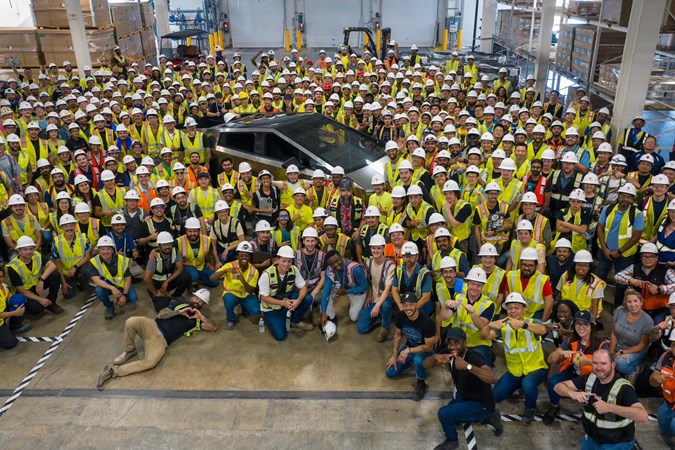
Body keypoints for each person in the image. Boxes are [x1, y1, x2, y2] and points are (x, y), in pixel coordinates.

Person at [96, 288, 217, 390]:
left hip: (161, 341)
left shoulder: (197, 319)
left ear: (203, 305)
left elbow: (213, 327)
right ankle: (129, 350)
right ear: (192, 297)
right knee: (131, 321)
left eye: (201, 301)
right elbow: (161, 314)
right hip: (152, 326)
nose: (197, 301)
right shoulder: (180, 302)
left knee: (150, 363)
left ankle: (112, 372)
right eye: (196, 298)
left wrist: (202, 318)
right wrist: (179, 312)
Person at [424, 327, 502, 450]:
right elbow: (425, 364)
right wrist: (435, 359)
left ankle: (452, 440)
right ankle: (489, 417)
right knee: (452, 420)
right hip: (465, 395)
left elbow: (493, 378)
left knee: (444, 413)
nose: (453, 346)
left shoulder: (474, 356)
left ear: (465, 343)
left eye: (457, 343)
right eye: (450, 343)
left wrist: (468, 366)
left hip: (481, 403)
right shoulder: (449, 352)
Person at [554, 349, 649, 449]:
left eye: (603, 363)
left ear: (613, 365)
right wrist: (572, 394)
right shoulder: (589, 379)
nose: (599, 368)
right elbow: (557, 387)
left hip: (616, 444)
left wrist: (610, 407)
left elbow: (643, 416)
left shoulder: (624, 387)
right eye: (595, 363)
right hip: (591, 439)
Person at [481, 292, 548, 424]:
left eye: (516, 307)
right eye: (510, 308)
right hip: (515, 371)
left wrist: (523, 325)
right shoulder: (503, 326)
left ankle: (530, 408)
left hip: (536, 368)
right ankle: (517, 385)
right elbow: (484, 336)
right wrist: (489, 325)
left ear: (524, 308)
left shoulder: (532, 322)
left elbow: (542, 330)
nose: (513, 311)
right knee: (495, 396)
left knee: (528, 384)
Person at [543, 310, 609, 425]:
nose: (581, 327)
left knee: (597, 391)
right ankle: (554, 406)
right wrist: (561, 353)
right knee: (553, 381)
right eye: (578, 323)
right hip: (573, 372)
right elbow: (550, 359)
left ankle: (590, 411)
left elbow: (607, 369)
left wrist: (588, 361)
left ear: (592, 326)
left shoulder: (601, 344)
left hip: (592, 377)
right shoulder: (571, 340)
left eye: (585, 324)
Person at [597, 183, 643, 307]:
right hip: (604, 251)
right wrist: (605, 249)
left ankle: (617, 305)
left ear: (632, 199)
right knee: (600, 277)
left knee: (621, 282)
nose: (625, 199)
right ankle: (596, 302)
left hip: (625, 255)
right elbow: (600, 228)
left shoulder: (637, 214)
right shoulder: (608, 209)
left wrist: (619, 252)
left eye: (629, 197)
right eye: (623, 196)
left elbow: (636, 237)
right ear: (618, 196)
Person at [385, 291, 436, 401]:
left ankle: (421, 382)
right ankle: (413, 363)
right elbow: (397, 336)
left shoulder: (427, 322)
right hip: (410, 346)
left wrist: (408, 351)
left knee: (418, 359)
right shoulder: (400, 316)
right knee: (390, 373)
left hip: (425, 351)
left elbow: (429, 347)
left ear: (417, 305)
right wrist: (395, 356)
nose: (408, 308)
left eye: (411, 304)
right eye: (405, 305)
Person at [439, 267, 495, 364]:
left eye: (479, 285)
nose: (475, 288)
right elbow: (445, 317)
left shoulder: (488, 304)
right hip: (458, 342)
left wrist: (473, 314)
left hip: (478, 343)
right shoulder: (458, 297)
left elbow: (482, 326)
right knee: (440, 358)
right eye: (472, 284)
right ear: (468, 284)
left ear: (483, 287)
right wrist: (445, 306)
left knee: (483, 368)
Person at [258, 246, 314, 341]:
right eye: (284, 261)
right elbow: (263, 298)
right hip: (271, 308)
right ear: (278, 260)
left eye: (289, 261)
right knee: (280, 336)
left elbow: (303, 287)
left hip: (286, 301)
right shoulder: (266, 275)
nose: (287, 264)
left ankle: (295, 321)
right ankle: (277, 318)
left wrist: (298, 301)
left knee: (308, 298)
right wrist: (283, 303)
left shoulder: (294, 270)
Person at [615, 242, 675, 324]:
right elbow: (617, 276)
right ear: (641, 257)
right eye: (644, 256)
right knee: (623, 320)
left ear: (657, 257)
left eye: (651, 256)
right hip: (637, 307)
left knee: (655, 324)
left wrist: (660, 289)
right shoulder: (634, 267)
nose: (647, 259)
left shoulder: (666, 271)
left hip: (659, 309)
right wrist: (630, 280)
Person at [6, 236, 62, 315]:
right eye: (25, 249)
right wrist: (40, 299)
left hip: (37, 284)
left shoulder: (36, 255)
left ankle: (51, 302)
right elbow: (21, 290)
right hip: (25, 291)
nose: (29, 251)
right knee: (38, 309)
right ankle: (30, 305)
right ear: (19, 250)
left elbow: (52, 266)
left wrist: (41, 280)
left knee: (55, 275)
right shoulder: (13, 267)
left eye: (31, 248)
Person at [210, 241, 259, 330]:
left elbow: (251, 291)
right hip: (231, 293)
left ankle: (244, 307)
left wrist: (243, 280)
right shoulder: (230, 265)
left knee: (256, 310)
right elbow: (212, 278)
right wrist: (226, 271)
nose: (244, 258)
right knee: (229, 301)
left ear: (250, 257)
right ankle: (231, 319)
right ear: (237, 256)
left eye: (247, 255)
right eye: (241, 255)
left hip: (245, 294)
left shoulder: (254, 271)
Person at [88, 235, 138, 320]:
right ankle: (109, 306)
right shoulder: (94, 262)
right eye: (102, 249)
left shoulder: (122, 260)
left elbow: (127, 278)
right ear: (99, 250)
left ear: (112, 250)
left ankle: (121, 297)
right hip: (108, 286)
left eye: (108, 249)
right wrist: (112, 288)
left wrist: (124, 295)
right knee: (98, 290)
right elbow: (96, 280)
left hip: (122, 286)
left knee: (133, 298)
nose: (105, 252)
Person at [357, 234, 396, 340]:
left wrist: (377, 306)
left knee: (385, 305)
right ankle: (382, 315)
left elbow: (388, 289)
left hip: (387, 298)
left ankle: (385, 326)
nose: (376, 251)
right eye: (373, 248)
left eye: (379, 248)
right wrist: (369, 295)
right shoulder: (368, 262)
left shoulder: (390, 265)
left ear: (384, 248)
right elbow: (369, 282)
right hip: (374, 297)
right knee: (362, 328)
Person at [609, 289, 654, 381]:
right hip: (619, 346)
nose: (633, 305)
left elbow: (642, 345)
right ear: (626, 303)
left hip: (636, 351)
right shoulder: (620, 311)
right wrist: (611, 352)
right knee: (603, 356)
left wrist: (622, 352)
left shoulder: (648, 321)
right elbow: (614, 333)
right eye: (629, 302)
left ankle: (636, 369)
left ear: (641, 302)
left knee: (619, 363)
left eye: (635, 301)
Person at [322, 249, 369, 331]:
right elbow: (326, 292)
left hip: (357, 291)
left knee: (354, 317)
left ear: (341, 257)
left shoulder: (355, 268)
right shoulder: (329, 271)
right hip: (343, 287)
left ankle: (363, 307)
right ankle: (331, 317)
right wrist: (323, 313)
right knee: (326, 296)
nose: (336, 265)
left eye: (337, 261)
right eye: (332, 264)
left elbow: (365, 287)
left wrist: (346, 292)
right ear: (329, 265)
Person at [143, 231, 191, 312]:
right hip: (157, 285)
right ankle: (160, 296)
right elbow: (147, 279)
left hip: (168, 281)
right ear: (159, 245)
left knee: (186, 276)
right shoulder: (154, 256)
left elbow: (180, 269)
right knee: (162, 309)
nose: (167, 247)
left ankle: (176, 296)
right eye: (164, 245)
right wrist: (156, 293)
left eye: (169, 244)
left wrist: (167, 281)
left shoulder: (175, 251)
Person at [558, 250, 606, 321]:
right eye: (579, 265)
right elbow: (560, 296)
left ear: (589, 267)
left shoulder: (596, 283)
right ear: (575, 265)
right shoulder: (566, 276)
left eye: (584, 266)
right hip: (567, 313)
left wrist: (591, 323)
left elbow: (595, 305)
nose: (581, 268)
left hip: (585, 316)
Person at [52, 213, 92, 299]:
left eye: (71, 225)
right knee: (68, 295)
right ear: (62, 227)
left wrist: (75, 267)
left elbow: (87, 256)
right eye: (66, 226)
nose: (69, 228)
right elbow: (57, 263)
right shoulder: (56, 242)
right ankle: (73, 281)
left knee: (87, 271)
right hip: (67, 272)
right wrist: (63, 282)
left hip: (80, 267)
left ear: (75, 226)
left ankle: (81, 283)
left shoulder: (83, 237)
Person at [176, 217, 219, 288]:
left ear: (199, 230)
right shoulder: (179, 241)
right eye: (190, 231)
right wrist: (154, 250)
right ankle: (190, 283)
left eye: (195, 231)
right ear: (186, 230)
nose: (192, 234)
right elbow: (166, 248)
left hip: (200, 266)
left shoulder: (207, 240)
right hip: (186, 266)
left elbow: (209, 251)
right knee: (194, 276)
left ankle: (197, 280)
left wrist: (208, 262)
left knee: (215, 282)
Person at [649, 332, 675, 447]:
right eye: (674, 345)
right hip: (669, 404)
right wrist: (656, 378)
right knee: (665, 429)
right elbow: (652, 381)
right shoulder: (665, 356)